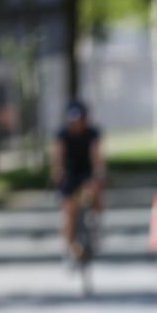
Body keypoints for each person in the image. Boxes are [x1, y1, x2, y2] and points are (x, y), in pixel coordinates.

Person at [50, 100, 106, 262]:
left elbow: (96, 157)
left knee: (94, 190)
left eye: (79, 119)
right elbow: (57, 158)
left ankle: (95, 223)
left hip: (86, 174)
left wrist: (100, 173)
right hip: (69, 175)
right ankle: (68, 246)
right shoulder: (63, 135)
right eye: (73, 120)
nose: (76, 123)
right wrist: (57, 174)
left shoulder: (91, 134)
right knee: (68, 210)